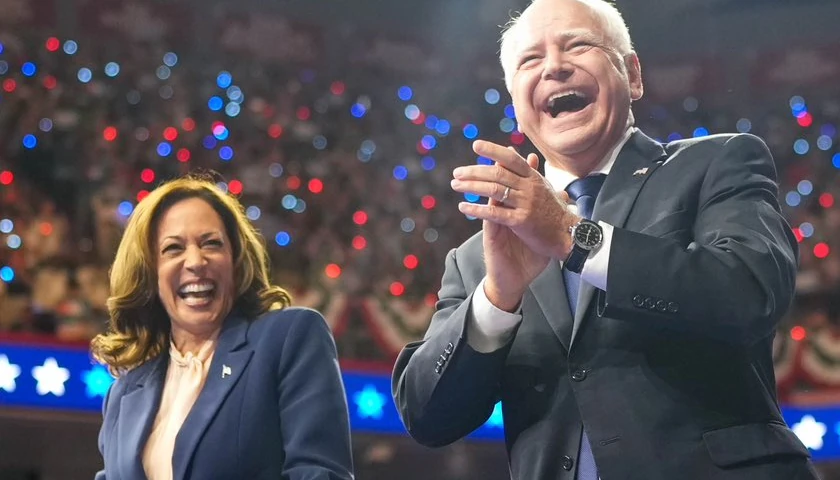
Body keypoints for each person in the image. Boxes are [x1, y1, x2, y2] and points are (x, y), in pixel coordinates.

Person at [391, 1, 819, 479]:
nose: (554, 66)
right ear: (516, 101)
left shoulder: (718, 163)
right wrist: (496, 300)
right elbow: (426, 417)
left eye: (578, 44)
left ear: (632, 75)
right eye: (530, 60)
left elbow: (748, 293)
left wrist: (573, 236)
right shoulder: (482, 257)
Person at [91, 175, 354, 480]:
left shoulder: (288, 339)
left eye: (211, 243)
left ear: (236, 261)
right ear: (150, 274)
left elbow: (320, 473)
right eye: (173, 249)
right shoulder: (124, 393)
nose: (195, 261)